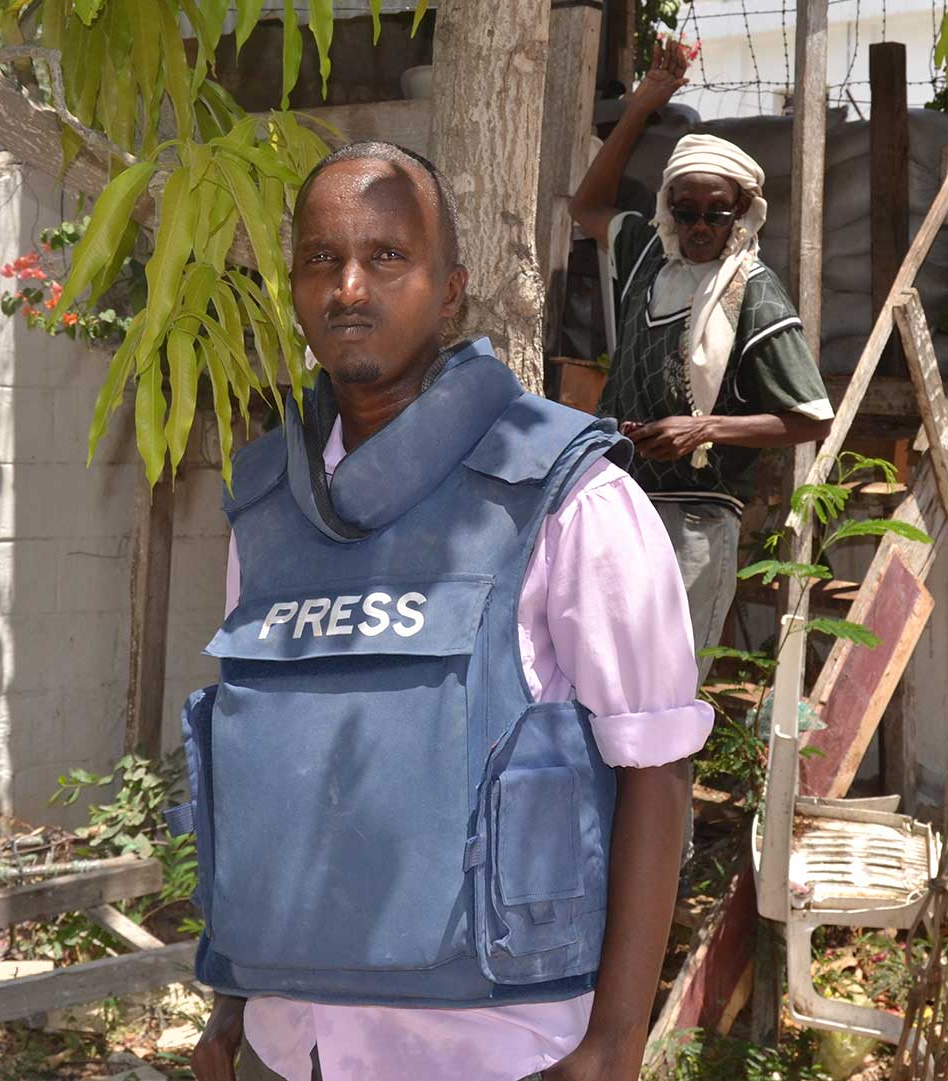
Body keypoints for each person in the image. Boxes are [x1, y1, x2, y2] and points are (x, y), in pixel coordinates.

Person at [178, 141, 712, 1081]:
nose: (348, 287)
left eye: (387, 256)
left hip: (493, 1046)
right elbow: (265, 772)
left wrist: (615, 1044)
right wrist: (232, 1005)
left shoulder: (569, 497)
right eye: (320, 259)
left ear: (452, 286)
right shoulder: (265, 509)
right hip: (285, 1042)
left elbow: (657, 766)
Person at [570, 40, 834, 681]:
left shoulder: (755, 292)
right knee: (603, 683)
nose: (698, 228)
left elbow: (810, 419)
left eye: (714, 215)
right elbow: (585, 207)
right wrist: (641, 108)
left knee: (667, 693)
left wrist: (703, 428)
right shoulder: (645, 255)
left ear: (742, 212)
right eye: (684, 212)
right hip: (616, 500)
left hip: (695, 517)